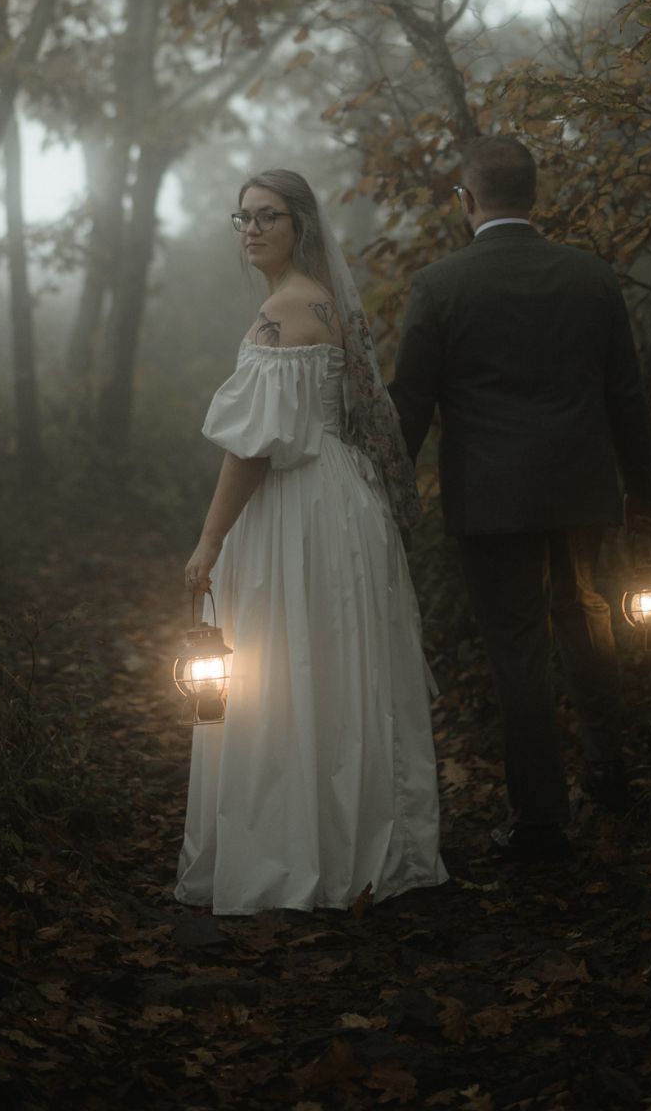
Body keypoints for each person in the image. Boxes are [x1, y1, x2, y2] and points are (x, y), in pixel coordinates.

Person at [176, 167, 449, 914]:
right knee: (326, 667)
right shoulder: (320, 302)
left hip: (300, 506)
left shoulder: (285, 313)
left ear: (301, 225)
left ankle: (298, 856)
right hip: (340, 498)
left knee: (292, 665)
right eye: (242, 218)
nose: (252, 229)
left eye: (268, 216)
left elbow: (254, 449)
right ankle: (339, 842)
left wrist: (208, 541)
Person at [389, 135, 651, 862]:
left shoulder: (440, 287)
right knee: (588, 620)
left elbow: (410, 402)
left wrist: (384, 490)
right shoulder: (591, 277)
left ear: (466, 201)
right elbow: (627, 397)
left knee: (519, 651)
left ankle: (540, 820)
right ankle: (609, 776)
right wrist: (647, 492)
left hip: (492, 497)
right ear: (533, 196)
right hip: (580, 489)